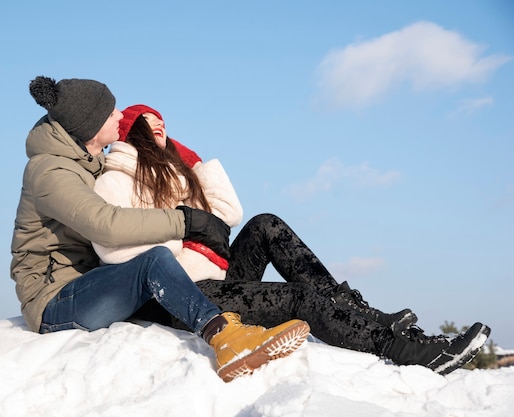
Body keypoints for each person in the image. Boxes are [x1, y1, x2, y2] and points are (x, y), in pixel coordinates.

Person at [92, 104, 491, 376]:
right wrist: (183, 225)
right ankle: (406, 353)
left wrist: (194, 163)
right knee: (298, 298)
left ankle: (360, 313)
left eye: (163, 120)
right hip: (183, 296)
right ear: (131, 134)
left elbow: (229, 213)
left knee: (265, 223)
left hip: (217, 277)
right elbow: (122, 254)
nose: (160, 124)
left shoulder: (175, 177)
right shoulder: (116, 182)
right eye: (147, 120)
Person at [10, 76, 311, 383]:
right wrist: (187, 222)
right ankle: (225, 338)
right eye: (111, 111)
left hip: (94, 283)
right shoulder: (49, 171)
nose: (119, 116)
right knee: (154, 258)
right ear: (90, 124)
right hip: (56, 301)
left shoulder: (91, 162)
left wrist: (174, 151)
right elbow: (105, 224)